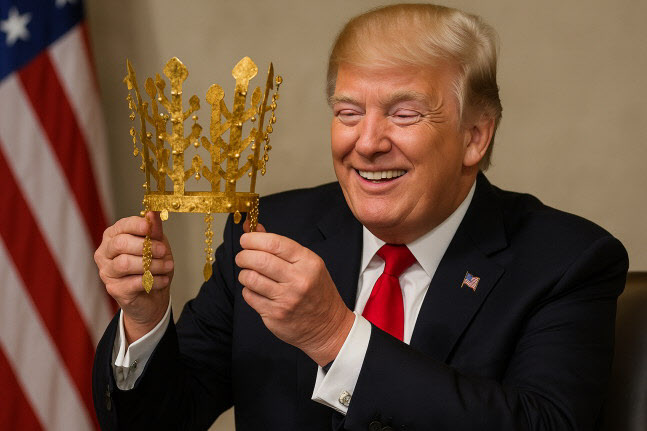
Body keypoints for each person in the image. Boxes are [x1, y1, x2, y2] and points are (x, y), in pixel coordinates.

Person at [92, 4, 628, 430]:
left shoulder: (566, 261)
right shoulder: (267, 230)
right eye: (348, 112)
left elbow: (543, 423)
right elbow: (163, 419)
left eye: (404, 114)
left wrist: (335, 336)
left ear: (474, 137)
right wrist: (143, 321)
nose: (367, 143)